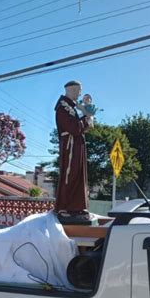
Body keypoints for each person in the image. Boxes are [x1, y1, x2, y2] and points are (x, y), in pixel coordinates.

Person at [54, 80, 93, 222]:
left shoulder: (71, 107)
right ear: (71, 90)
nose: (80, 93)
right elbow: (74, 128)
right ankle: (64, 207)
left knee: (78, 175)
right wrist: (86, 118)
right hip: (70, 146)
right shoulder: (62, 108)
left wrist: (86, 114)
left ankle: (77, 206)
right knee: (70, 174)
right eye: (78, 90)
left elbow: (81, 127)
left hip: (77, 144)